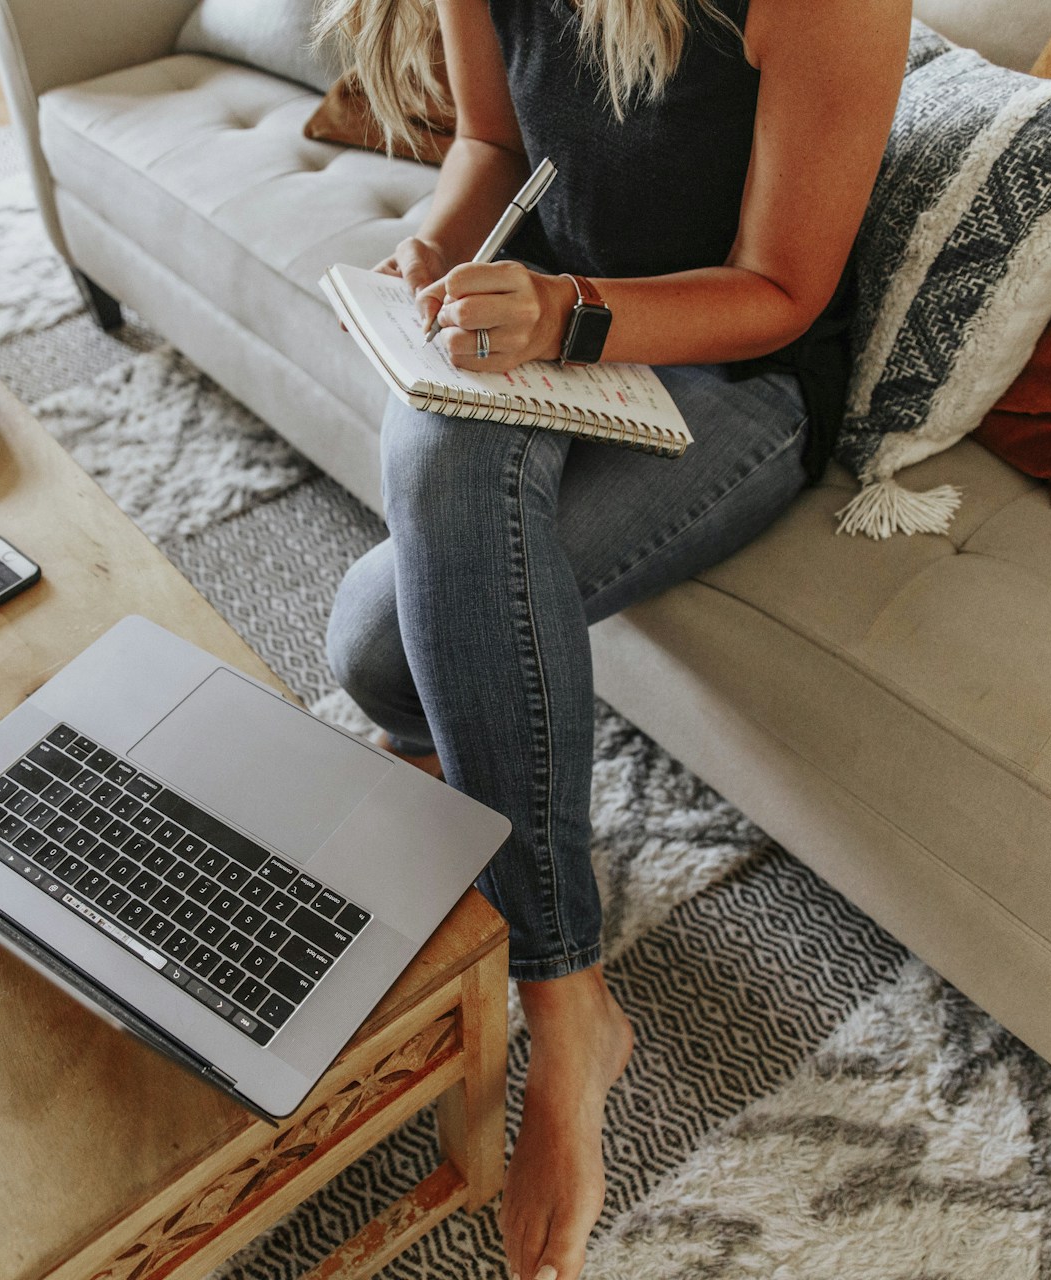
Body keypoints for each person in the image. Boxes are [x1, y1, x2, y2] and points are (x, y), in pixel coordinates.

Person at [319, 0, 907, 1275]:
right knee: (371, 644)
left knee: (402, 620)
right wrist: (430, 251)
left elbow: (781, 289)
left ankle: (562, 993)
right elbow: (488, 143)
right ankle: (556, 967)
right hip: (555, 315)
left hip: (731, 373)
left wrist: (565, 315)